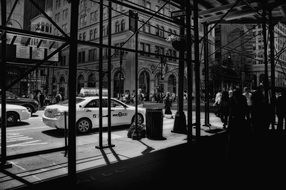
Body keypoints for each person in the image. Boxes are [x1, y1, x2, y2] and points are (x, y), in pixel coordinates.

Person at [228, 87, 249, 161]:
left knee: (233, 136)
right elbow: (246, 108)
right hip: (241, 118)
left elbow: (229, 110)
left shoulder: (231, 98)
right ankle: (240, 152)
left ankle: (232, 152)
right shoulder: (243, 98)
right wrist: (248, 118)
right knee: (241, 135)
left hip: (234, 119)